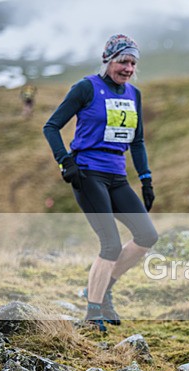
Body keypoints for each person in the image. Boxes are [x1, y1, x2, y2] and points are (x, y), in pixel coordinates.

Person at [43, 33, 158, 332]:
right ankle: (93, 313)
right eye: (123, 61)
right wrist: (65, 161)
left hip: (117, 177)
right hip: (87, 173)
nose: (129, 68)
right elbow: (51, 126)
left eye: (133, 62)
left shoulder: (134, 94)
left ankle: (104, 289)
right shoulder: (86, 88)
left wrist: (145, 180)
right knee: (110, 243)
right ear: (108, 61)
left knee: (147, 236)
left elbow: (138, 141)